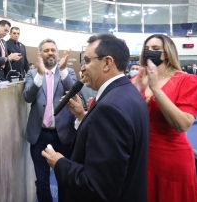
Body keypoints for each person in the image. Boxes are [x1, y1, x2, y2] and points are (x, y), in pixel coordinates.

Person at [41, 34, 150, 202]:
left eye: (87, 61)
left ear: (107, 63)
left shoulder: (109, 108)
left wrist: (60, 163)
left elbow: (97, 186)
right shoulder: (129, 93)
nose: (82, 68)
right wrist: (81, 115)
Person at [132, 34, 197, 202]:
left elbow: (183, 124)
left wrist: (156, 89)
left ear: (167, 53)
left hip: (171, 159)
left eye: (156, 49)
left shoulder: (187, 80)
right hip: (140, 156)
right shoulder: (137, 79)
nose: (150, 52)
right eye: (147, 49)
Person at [23, 38, 77, 202]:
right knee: (41, 180)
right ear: (40, 54)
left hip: (63, 135)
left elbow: (74, 93)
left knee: (64, 179)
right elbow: (27, 96)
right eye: (46, 50)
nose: (50, 53)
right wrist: (39, 75)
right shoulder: (32, 73)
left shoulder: (69, 72)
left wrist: (62, 70)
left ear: (58, 53)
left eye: (53, 50)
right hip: (39, 135)